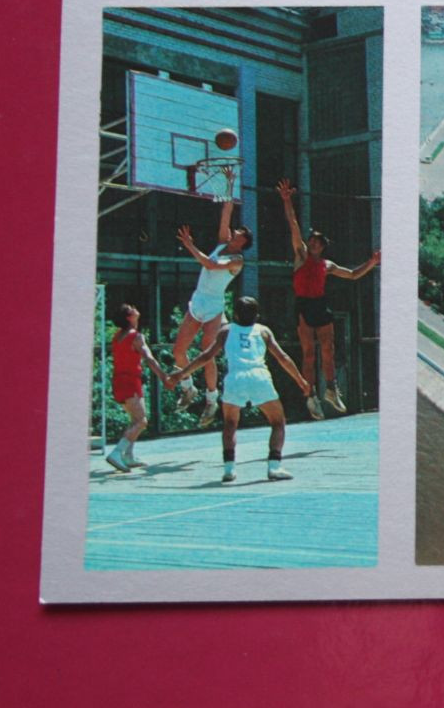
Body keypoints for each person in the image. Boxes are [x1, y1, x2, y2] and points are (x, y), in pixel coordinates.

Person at [169, 296, 311, 483]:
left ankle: (229, 469)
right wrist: (300, 380)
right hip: (259, 377)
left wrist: (181, 374)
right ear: (257, 315)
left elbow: (206, 356)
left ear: (235, 314)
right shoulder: (264, 331)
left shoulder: (226, 331)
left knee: (230, 424)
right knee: (278, 422)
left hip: (235, 379)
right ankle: (274, 466)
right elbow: (282, 357)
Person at [277, 179, 380, 420]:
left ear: (322, 247)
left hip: (320, 304)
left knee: (328, 350)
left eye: (316, 241)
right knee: (309, 354)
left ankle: (331, 389)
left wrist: (372, 263)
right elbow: (293, 224)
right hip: (303, 305)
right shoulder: (301, 256)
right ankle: (310, 395)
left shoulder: (328, 265)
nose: (312, 242)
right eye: (311, 239)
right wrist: (286, 200)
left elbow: (354, 275)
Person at [171, 169, 250, 427]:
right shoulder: (223, 242)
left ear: (242, 242)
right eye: (235, 231)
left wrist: (189, 244)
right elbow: (226, 211)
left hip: (215, 306)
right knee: (179, 351)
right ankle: (188, 388)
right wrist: (230, 183)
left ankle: (212, 398)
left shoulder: (237, 260)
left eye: (239, 233)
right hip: (198, 301)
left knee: (207, 353)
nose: (234, 232)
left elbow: (208, 263)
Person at [103, 303, 171, 473]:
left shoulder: (118, 335)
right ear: (129, 317)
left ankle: (128, 456)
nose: (135, 308)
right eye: (132, 309)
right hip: (130, 381)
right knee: (142, 421)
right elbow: (149, 358)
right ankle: (117, 452)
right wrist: (164, 377)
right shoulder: (136, 336)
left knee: (135, 419)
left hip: (119, 380)